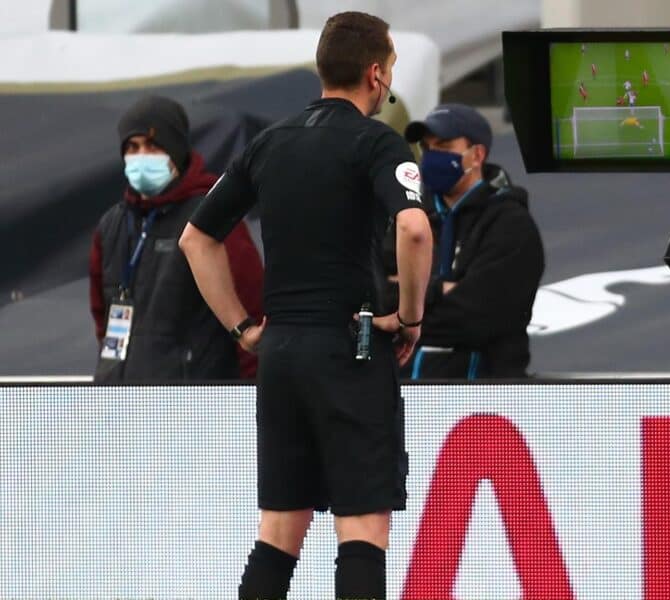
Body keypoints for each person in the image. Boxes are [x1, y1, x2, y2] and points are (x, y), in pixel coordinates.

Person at [178, 11, 432, 600]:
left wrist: (242, 327)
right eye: (390, 70)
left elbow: (197, 238)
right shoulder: (377, 142)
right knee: (363, 527)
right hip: (349, 346)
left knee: (279, 530)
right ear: (376, 73)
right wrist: (412, 317)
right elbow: (414, 230)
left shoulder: (268, 142)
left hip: (281, 352)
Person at [88, 95, 263, 382]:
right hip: (119, 401)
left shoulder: (211, 218)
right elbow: (102, 319)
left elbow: (252, 312)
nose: (141, 156)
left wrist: (247, 394)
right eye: (133, 147)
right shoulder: (111, 226)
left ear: (176, 151)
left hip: (191, 402)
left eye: (153, 146)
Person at [383, 103, 544, 379]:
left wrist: (406, 305)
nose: (432, 156)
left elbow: (478, 318)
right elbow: (375, 295)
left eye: (444, 147)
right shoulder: (409, 218)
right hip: (402, 394)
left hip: (482, 400)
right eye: (427, 148)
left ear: (476, 155)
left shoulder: (511, 225)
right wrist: (439, 291)